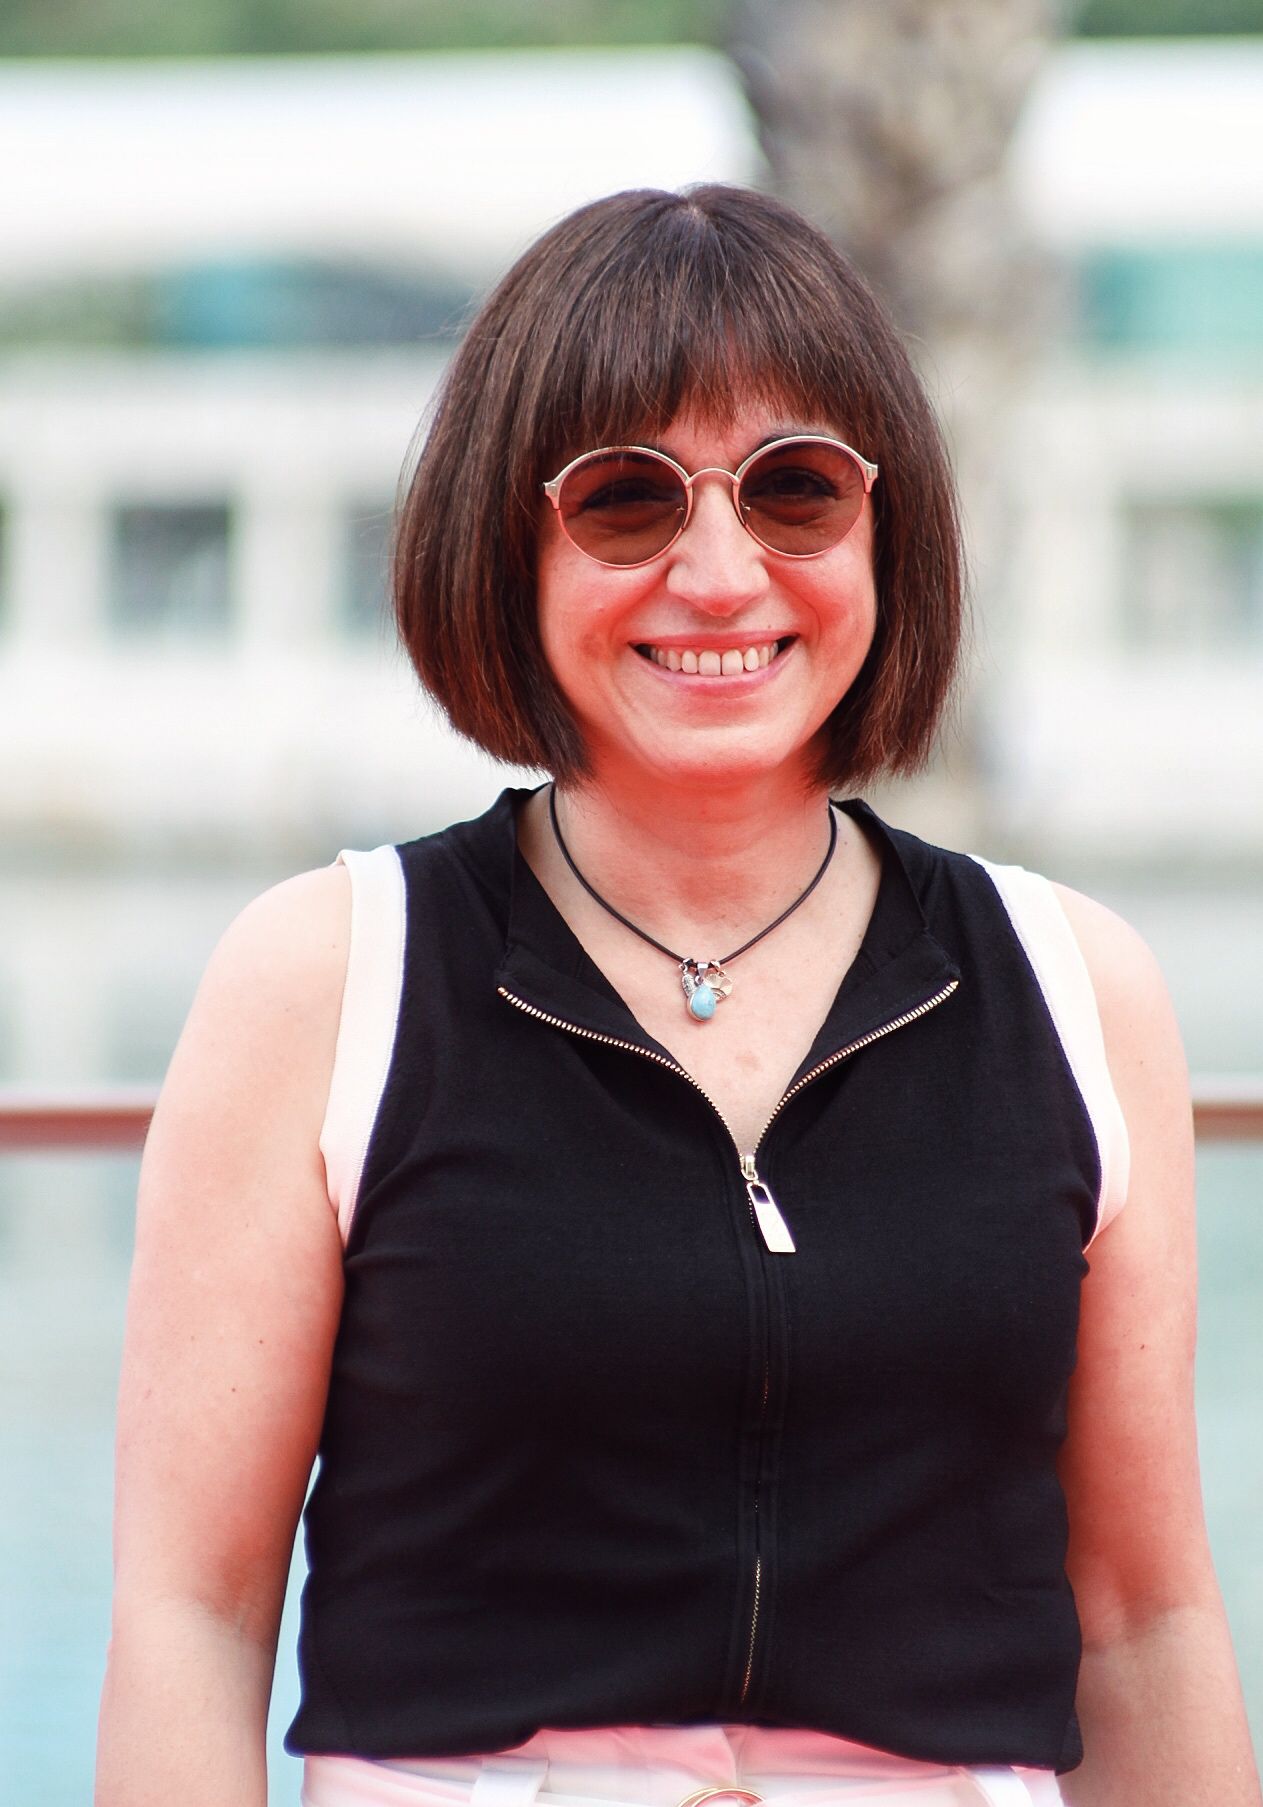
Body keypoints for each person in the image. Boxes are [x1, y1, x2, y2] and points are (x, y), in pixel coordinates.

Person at [95, 185, 1261, 1807]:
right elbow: (191, 1618)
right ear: (510, 540)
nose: (720, 575)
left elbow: (1146, 1626)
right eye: (628, 502)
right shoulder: (326, 979)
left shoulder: (1077, 991)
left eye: (795, 490)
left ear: (887, 527)